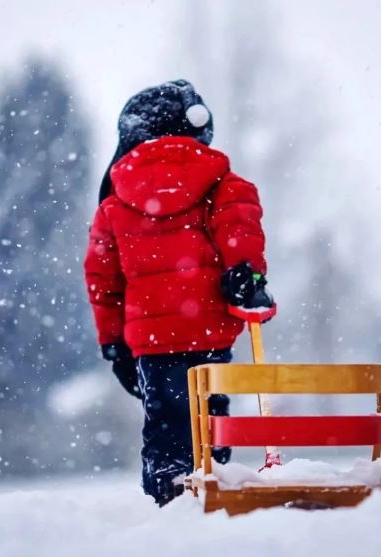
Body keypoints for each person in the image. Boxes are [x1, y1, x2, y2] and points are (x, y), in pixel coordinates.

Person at [84, 80, 273, 506]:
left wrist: (113, 343)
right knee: (210, 419)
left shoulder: (113, 205)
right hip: (209, 330)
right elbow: (240, 231)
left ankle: (169, 493)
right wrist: (248, 276)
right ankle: (214, 487)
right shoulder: (225, 185)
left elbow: (103, 279)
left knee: (165, 422)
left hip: (151, 342)